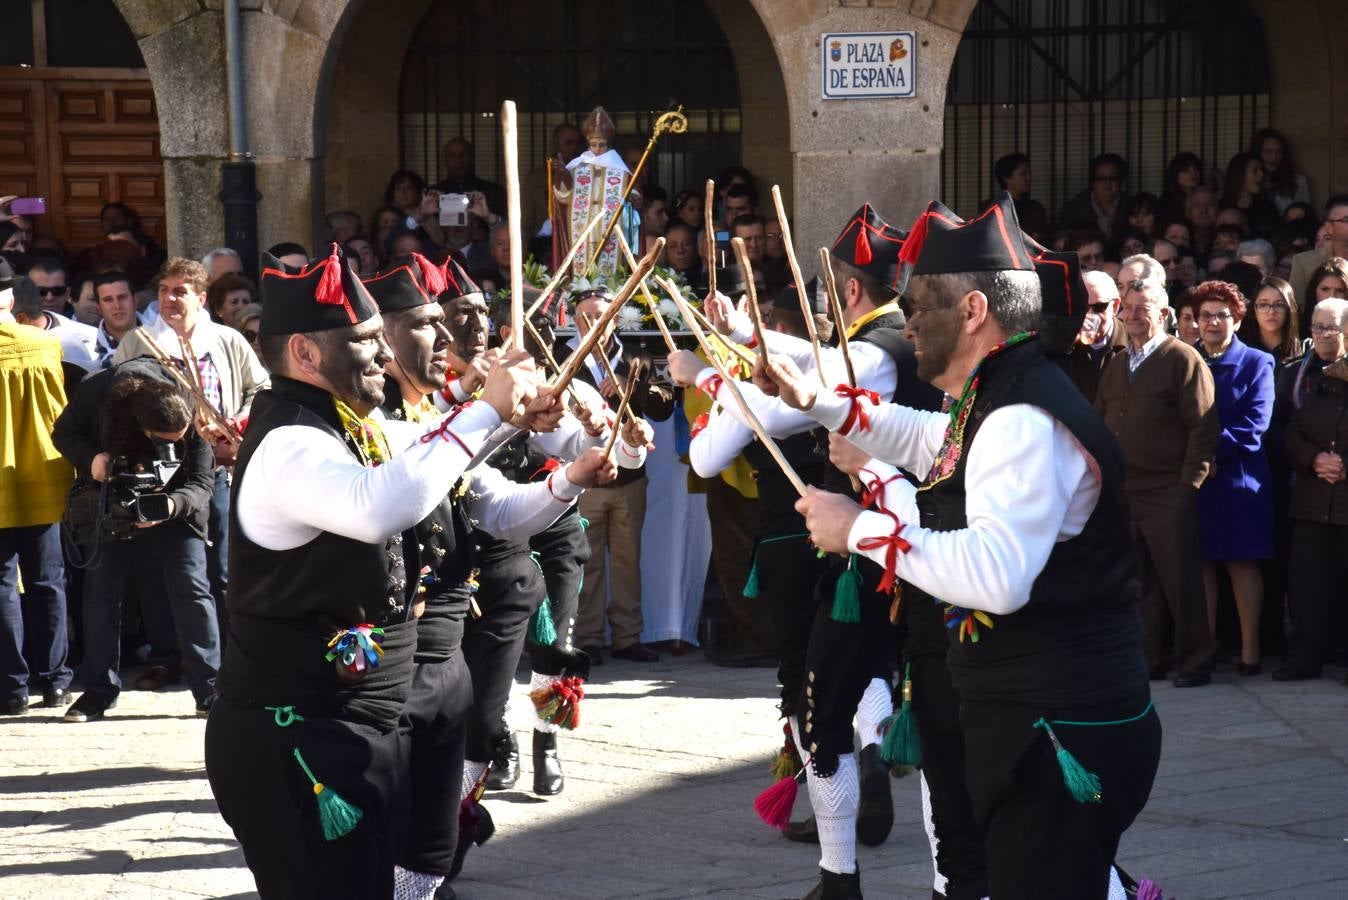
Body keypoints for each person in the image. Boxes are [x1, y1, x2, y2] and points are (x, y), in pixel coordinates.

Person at [773, 194, 1160, 897]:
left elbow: (999, 575)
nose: (908, 324)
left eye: (920, 308)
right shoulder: (992, 397)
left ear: (975, 312)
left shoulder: (1018, 416)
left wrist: (856, 529)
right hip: (1037, 721)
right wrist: (818, 400)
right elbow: (929, 442)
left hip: (1059, 731)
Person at [201, 244, 608, 898]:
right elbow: (379, 506)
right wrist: (485, 410)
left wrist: (529, 441)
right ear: (305, 353)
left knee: (411, 874)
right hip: (297, 735)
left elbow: (442, 470)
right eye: (364, 341)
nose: (384, 356)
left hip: (365, 721)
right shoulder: (287, 441)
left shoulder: (356, 426)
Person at [674, 203, 945, 898]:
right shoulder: (890, 342)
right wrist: (736, 329)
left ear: (849, 289)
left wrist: (708, 376)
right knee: (918, 713)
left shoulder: (879, 348)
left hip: (871, 552)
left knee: (824, 714)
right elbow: (810, 363)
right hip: (905, 551)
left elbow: (809, 381)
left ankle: (845, 875)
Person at [114, 258, 270, 675]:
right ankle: (169, 657)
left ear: (201, 298)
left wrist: (235, 426)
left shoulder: (226, 340)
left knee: (221, 568)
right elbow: (118, 399)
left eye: (180, 291)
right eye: (164, 290)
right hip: (160, 470)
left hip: (216, 468)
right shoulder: (139, 342)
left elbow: (261, 387)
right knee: (162, 571)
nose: (170, 299)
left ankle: (232, 662)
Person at [52, 362, 222, 721]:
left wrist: (173, 504)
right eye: (164, 441)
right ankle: (98, 690)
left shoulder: (183, 400)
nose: (171, 446)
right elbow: (63, 433)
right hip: (112, 497)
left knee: (192, 589)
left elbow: (204, 482)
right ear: (143, 428)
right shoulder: (96, 392)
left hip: (176, 505)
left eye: (180, 438)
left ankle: (210, 689)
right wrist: (92, 458)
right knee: (101, 594)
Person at [1096, 272, 1219, 686]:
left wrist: (1188, 486)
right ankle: (1147, 662)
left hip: (1169, 492)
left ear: (1164, 313)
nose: (1132, 316)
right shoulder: (1116, 362)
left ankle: (1195, 663)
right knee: (1139, 586)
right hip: (1126, 491)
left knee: (1181, 584)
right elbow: (1101, 419)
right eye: (1126, 309)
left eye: (1142, 309)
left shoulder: (1183, 358)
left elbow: (1203, 428)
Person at [566, 283, 674, 663]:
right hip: (585, 479)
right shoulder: (564, 361)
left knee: (628, 561)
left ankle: (628, 636)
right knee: (587, 561)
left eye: (603, 316)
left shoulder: (636, 358)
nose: (596, 323)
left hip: (630, 478)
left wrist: (631, 386)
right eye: (587, 317)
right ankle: (588, 637)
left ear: (615, 320)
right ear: (574, 321)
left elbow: (663, 406)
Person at [1189, 281, 1274, 674]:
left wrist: (1205, 445)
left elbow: (1254, 427)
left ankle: (1249, 651)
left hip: (1240, 479)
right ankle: (1204, 652)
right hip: (1197, 481)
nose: (1212, 322)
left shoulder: (1258, 362)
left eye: (1222, 315)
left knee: (1241, 563)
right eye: (1205, 315)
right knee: (1202, 564)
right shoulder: (1187, 360)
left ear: (1237, 321)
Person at [0, 314, 74, 715]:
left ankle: (12, 688)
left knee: (1, 585)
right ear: (11, 298)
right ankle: (55, 682)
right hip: (41, 473)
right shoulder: (43, 344)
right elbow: (58, 409)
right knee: (48, 580)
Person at [1278, 298, 1348, 681]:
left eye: (1332, 328)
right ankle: (1304, 659)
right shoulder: (1312, 376)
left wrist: (1344, 467)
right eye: (1317, 327)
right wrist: (1313, 459)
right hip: (1311, 498)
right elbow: (1292, 431)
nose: (1322, 335)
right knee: (1306, 585)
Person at [551, 108, 639, 278]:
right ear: (588, 145)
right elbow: (563, 197)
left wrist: (635, 200)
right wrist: (563, 175)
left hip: (611, 234)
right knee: (581, 275)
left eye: (602, 145)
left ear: (608, 145)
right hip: (582, 231)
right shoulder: (577, 167)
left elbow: (633, 196)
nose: (597, 149)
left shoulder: (621, 170)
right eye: (594, 145)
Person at [1066, 270, 1127, 403]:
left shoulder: (1133, 342)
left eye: (1099, 307)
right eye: (1083, 306)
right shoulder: (1064, 342)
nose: (1089, 314)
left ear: (1115, 306)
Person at [1058, 153, 1130, 240]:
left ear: (1121, 181)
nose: (1107, 183)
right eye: (1101, 178)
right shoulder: (1075, 207)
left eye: (1114, 178)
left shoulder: (1131, 205)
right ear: (1092, 182)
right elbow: (1062, 239)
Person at [435, 137, 507, 218]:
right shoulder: (434, 194)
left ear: (472, 157)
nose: (459, 160)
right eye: (453, 156)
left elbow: (508, 225)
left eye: (464, 154)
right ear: (445, 159)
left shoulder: (494, 192)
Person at [1251, 128, 1311, 216]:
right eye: (1268, 152)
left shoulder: (1298, 181)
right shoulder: (1249, 182)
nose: (1274, 157)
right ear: (1258, 153)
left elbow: (1307, 216)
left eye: (1278, 152)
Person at [990, 153, 1050, 242]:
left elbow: (1045, 238)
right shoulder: (992, 207)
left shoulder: (1035, 208)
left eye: (1029, 173)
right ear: (1007, 178)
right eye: (1022, 174)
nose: (1028, 178)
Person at [1221, 152, 1280, 239]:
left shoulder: (1268, 208)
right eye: (1255, 170)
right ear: (1239, 174)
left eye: (1261, 170)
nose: (1261, 175)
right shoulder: (1221, 207)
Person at [92, 272, 142, 366]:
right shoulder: (89, 350)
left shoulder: (162, 340)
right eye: (108, 300)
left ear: (135, 300)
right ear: (98, 307)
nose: (117, 306)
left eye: (122, 297)